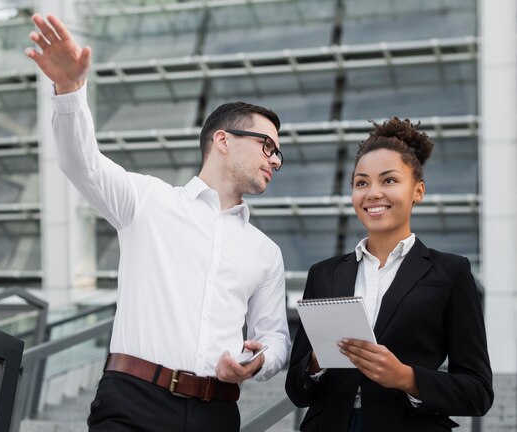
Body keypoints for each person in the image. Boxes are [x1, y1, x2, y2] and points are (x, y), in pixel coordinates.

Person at [25, 14, 290, 432]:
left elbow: (275, 338)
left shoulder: (266, 253)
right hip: (133, 401)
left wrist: (259, 361)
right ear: (223, 140)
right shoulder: (147, 200)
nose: (275, 159)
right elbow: (82, 165)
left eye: (279, 153)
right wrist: (70, 90)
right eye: (267, 145)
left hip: (216, 413)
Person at [285, 117, 493, 432]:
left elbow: (478, 393)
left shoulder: (451, 273)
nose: (372, 193)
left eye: (389, 180)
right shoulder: (323, 274)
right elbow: (296, 390)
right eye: (361, 182)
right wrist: (316, 361)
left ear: (418, 191)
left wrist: (405, 378)